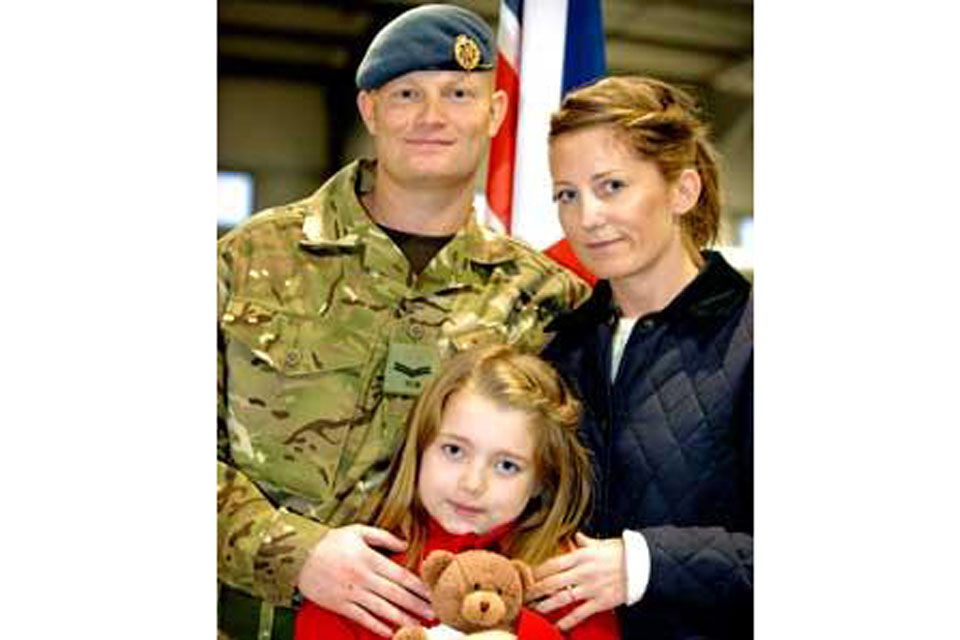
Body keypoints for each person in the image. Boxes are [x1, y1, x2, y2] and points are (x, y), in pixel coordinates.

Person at [216, 5, 589, 640]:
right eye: (407, 93)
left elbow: (560, 488)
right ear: (369, 110)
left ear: (496, 113)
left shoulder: (546, 298)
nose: (432, 116)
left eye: (459, 93)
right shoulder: (251, 257)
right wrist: (295, 553)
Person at [529, 76, 753, 639]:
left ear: (683, 191)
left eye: (611, 186)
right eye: (567, 194)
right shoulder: (560, 348)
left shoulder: (756, 342)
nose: (587, 217)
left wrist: (647, 564)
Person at [293, 345, 620, 640]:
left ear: (541, 479)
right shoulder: (362, 572)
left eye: (506, 465)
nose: (472, 483)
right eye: (454, 450)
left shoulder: (568, 581)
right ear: (421, 446)